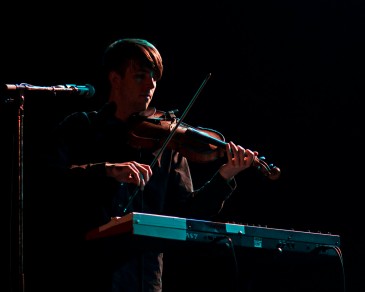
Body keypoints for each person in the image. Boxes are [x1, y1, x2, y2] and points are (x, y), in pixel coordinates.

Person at [29, 38, 258, 292]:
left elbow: (188, 213)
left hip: (145, 279)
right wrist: (106, 170)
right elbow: (44, 180)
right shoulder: (81, 128)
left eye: (154, 78)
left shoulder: (168, 142)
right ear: (115, 79)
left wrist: (224, 176)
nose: (150, 85)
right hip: (84, 273)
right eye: (140, 76)